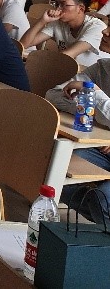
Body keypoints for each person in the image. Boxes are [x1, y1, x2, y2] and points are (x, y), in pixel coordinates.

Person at [45, 56, 110, 225]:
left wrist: (92, 92)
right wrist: (88, 106)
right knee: (54, 165)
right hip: (102, 148)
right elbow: (53, 95)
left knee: (102, 201)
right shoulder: (102, 67)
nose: (104, 33)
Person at [19, 0, 110, 67]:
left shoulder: (96, 27)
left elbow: (67, 55)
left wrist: (34, 59)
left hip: (95, 76)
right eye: (56, 4)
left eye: (63, 5)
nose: (58, 9)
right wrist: (42, 21)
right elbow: (24, 44)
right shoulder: (58, 23)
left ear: (81, 8)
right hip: (68, 70)